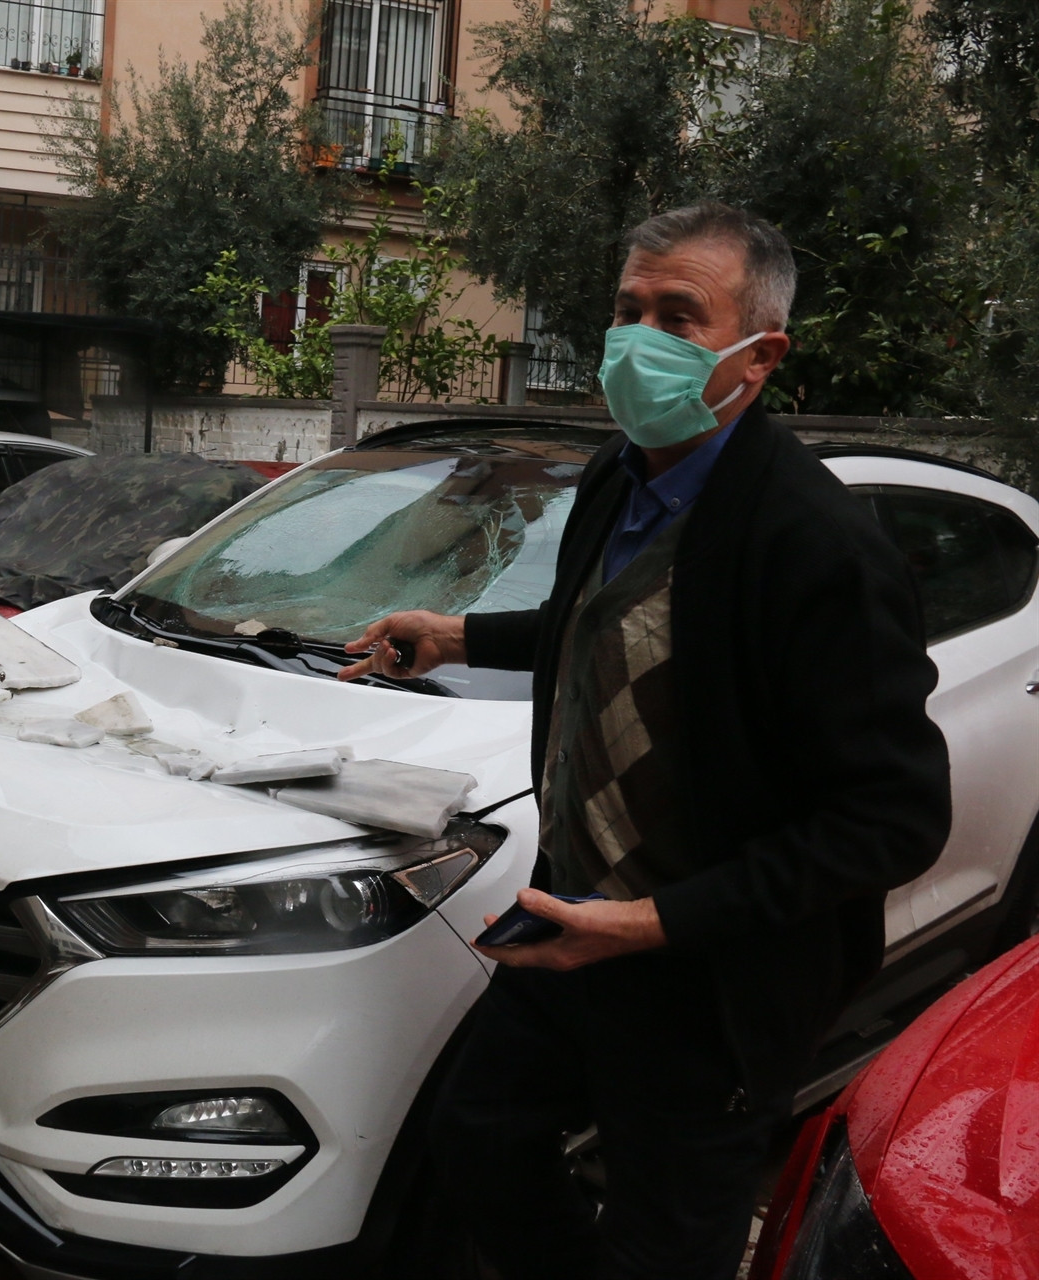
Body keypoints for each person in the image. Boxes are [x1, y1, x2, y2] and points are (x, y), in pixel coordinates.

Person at [339, 201, 950, 1279]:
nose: (638, 340)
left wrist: (659, 920)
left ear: (757, 358)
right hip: (573, 922)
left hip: (710, 976)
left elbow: (894, 816)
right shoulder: (620, 476)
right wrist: (455, 632)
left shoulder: (817, 546)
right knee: (478, 1133)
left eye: (679, 315)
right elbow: (612, 622)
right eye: (628, 310)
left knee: (667, 1236)